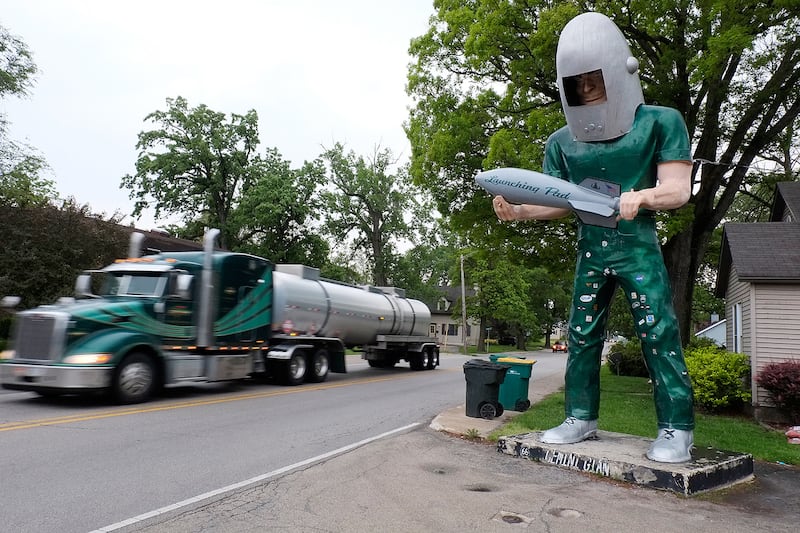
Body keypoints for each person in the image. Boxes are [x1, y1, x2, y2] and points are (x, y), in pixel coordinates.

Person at [492, 12, 695, 463]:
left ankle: (677, 426)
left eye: (594, 82)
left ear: (618, 74)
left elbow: (679, 189)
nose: (587, 93)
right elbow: (560, 200)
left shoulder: (660, 122)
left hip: (637, 246)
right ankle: (579, 416)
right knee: (581, 334)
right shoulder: (561, 142)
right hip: (591, 248)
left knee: (657, 331)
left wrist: (640, 197)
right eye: (577, 85)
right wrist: (521, 211)